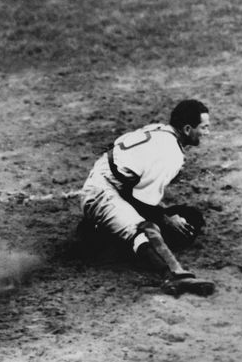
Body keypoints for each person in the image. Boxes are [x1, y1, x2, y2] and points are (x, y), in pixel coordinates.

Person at [78, 99, 215, 297]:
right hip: (102, 192)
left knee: (186, 217)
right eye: (204, 127)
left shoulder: (160, 130)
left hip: (110, 181)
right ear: (187, 129)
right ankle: (173, 275)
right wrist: (168, 219)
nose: (207, 133)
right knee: (146, 229)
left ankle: (100, 232)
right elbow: (144, 203)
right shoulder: (171, 154)